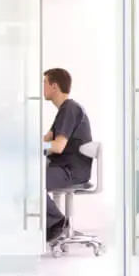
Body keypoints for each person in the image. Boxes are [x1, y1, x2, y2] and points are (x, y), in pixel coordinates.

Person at [41, 68, 94, 243]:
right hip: (64, 168)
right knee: (25, 180)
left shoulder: (70, 109)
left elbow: (57, 146)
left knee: (32, 183)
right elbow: (47, 139)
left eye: (44, 83)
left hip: (71, 170)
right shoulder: (63, 111)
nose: (42, 87)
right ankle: (54, 225)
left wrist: (39, 146)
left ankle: (58, 223)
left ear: (54, 86)